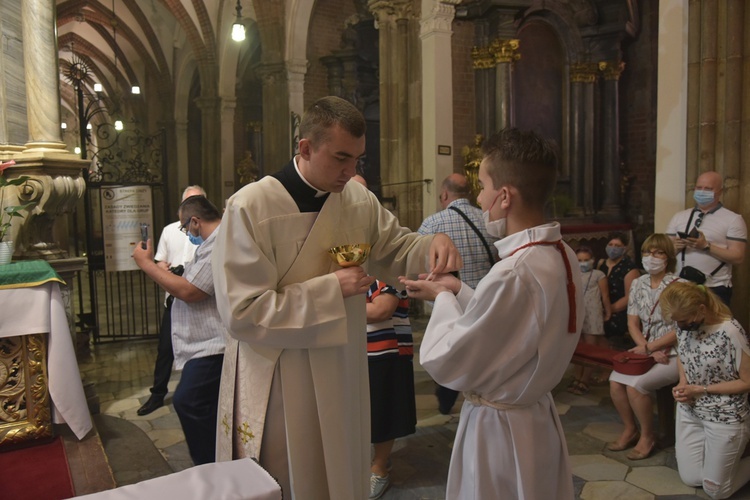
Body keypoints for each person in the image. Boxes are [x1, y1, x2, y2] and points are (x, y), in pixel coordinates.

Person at [211, 96, 461, 499]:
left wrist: (432, 242)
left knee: (341, 472)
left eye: (358, 160)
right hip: (280, 373)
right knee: (293, 476)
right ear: (305, 147)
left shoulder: (357, 200)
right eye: (341, 158)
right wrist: (331, 290)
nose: (351, 172)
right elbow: (241, 312)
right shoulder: (251, 207)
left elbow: (394, 248)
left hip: (342, 365)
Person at [400, 127, 583, 498]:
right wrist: (458, 289)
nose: (479, 197)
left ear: (504, 196)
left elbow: (449, 359)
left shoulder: (514, 270)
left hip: (499, 430)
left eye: (482, 186)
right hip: (534, 417)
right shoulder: (559, 253)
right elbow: (514, 326)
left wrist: (443, 297)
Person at [133, 195, 225, 465]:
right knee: (208, 406)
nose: (187, 234)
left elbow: (191, 292)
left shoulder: (218, 242)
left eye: (186, 228)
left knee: (188, 401)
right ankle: (218, 462)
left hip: (214, 342)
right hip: (205, 341)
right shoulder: (210, 243)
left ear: (195, 221)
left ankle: (211, 468)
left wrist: (146, 264)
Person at [660, 282, 750, 499]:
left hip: (725, 415)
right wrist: (682, 382)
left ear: (701, 309)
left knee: (716, 491)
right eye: (676, 321)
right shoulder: (682, 326)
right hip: (690, 411)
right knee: (691, 478)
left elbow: (747, 381)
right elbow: (684, 355)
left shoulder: (730, 331)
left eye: (683, 320)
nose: (679, 326)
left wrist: (701, 389)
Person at [417, 173, 498, 415]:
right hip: (485, 298)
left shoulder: (433, 224)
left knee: (450, 349)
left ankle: (446, 399)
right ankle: (484, 389)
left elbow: (419, 260)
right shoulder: (488, 220)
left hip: (450, 299)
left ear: (444, 195)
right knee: (484, 349)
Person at [607, 233, 681, 461]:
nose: (652, 257)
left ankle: (648, 436)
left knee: (636, 387)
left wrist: (652, 347)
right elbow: (632, 322)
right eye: (647, 252)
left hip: (675, 353)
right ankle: (630, 429)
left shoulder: (679, 286)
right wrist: (647, 347)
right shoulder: (638, 283)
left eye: (658, 252)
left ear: (668, 257)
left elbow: (680, 329)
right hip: (646, 348)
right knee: (615, 381)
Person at [137, 185, 206, 416]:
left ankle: (200, 390)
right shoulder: (169, 231)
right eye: (187, 203)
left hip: (202, 299)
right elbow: (160, 262)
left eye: (197, 201)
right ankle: (158, 393)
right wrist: (163, 268)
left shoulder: (213, 231)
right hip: (175, 299)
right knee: (166, 348)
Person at [365, 279, 416, 500]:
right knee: (369, 414)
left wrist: (329, 303)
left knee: (383, 414)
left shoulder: (384, 272)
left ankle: (379, 467)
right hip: (362, 354)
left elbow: (381, 310)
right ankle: (378, 459)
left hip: (386, 354)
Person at [666, 171, 746, 306]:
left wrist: (706, 246)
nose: (702, 192)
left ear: (720, 191)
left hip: (714, 287)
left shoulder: (733, 219)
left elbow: (738, 257)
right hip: (680, 284)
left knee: (713, 325)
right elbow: (665, 253)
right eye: (699, 188)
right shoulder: (679, 216)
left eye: (708, 189)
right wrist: (676, 247)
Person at [568, 246, 611, 395]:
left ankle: (585, 379)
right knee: (578, 348)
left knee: (590, 349)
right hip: (578, 313)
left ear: (592, 260)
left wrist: (608, 311)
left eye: (586, 260)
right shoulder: (572, 274)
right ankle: (577, 377)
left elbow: (605, 296)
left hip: (593, 314)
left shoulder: (599, 275)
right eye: (580, 260)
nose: (583, 263)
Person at [597, 231, 640, 350]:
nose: (613, 248)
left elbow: (629, 298)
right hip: (600, 308)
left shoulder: (629, 268)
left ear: (624, 248)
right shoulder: (600, 264)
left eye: (617, 246)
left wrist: (608, 310)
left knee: (607, 326)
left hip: (619, 311)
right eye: (611, 244)